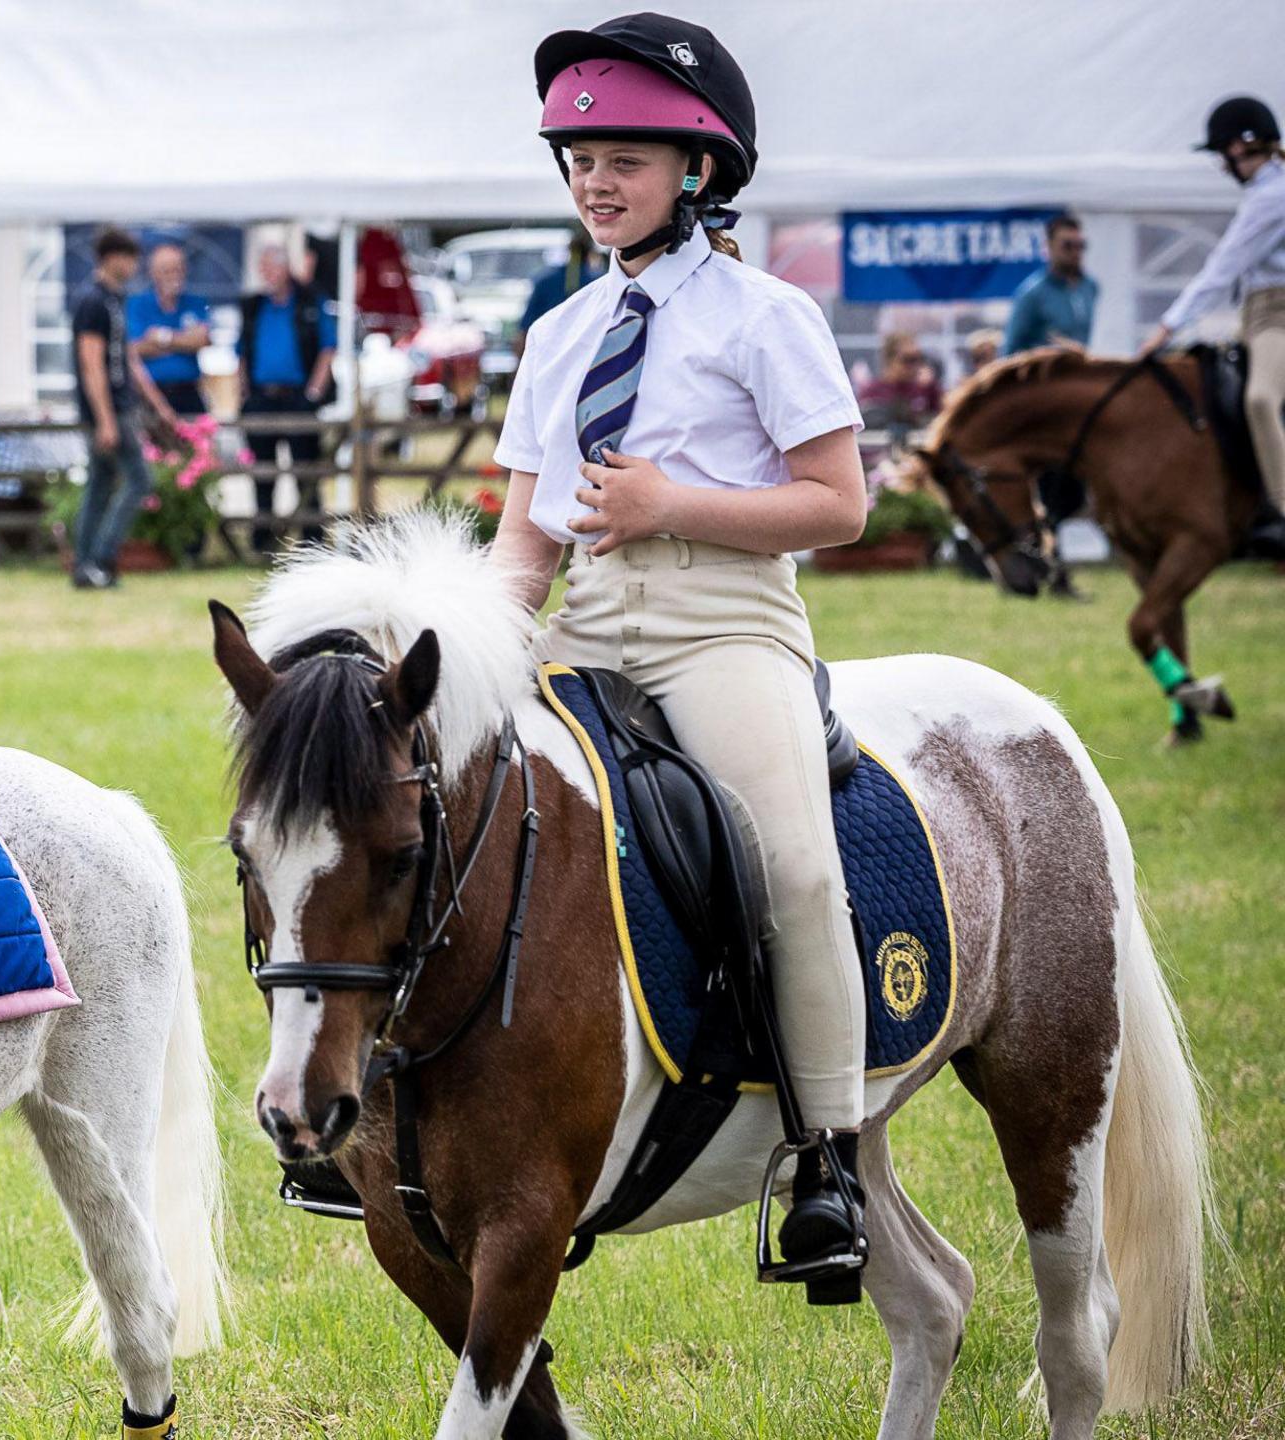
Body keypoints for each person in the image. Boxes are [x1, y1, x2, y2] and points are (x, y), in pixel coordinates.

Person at [490, 13, 872, 1297]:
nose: (593, 184)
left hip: (724, 620)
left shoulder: (767, 318)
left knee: (796, 868)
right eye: (577, 161)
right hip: (585, 616)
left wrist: (674, 506)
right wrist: (470, 651)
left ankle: (824, 1159)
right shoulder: (556, 335)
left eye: (624, 162)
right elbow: (519, 546)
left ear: (697, 172)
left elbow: (839, 505)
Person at [1142, 95, 1285, 553]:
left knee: (1261, 400)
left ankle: (1281, 510)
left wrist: (1167, 329)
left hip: (1277, 315)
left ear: (1241, 147)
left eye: (1223, 154)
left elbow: (1219, 270)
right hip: (1255, 314)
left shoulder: (1272, 197)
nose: (1223, 166)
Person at [68, 227, 166, 588]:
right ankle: (101, 559)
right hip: (107, 410)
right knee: (140, 480)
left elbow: (126, 358)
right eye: (129, 258)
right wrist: (105, 419)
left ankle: (85, 566)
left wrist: (156, 402)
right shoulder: (92, 301)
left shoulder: (114, 300)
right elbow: (91, 363)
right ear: (111, 258)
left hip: (119, 406)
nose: (133, 265)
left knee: (101, 485)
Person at [236, 244, 339, 552]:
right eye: (262, 268)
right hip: (261, 398)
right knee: (263, 473)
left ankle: (312, 541)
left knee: (305, 471)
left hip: (297, 397)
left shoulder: (309, 300)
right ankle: (263, 539)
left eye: (272, 267)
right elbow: (242, 352)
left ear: (285, 269)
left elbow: (328, 346)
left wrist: (314, 391)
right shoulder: (254, 306)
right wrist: (244, 392)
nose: (267, 274)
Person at [129, 241, 213, 418]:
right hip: (151, 393)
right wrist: (183, 342)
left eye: (178, 269)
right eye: (167, 270)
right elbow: (134, 348)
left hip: (188, 391)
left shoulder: (195, 302)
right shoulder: (137, 304)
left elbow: (202, 340)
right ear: (154, 273)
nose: (174, 275)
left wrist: (162, 337)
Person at [1003, 214, 1099, 356]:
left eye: (1080, 246)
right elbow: (1009, 352)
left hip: (1080, 374)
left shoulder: (1090, 287)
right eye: (1067, 246)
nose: (1075, 252)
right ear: (1049, 246)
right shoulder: (1032, 294)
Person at [517, 232, 608, 355]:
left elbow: (525, 329)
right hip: (587, 353)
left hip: (548, 352)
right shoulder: (600, 283)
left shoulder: (545, 280)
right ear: (591, 253)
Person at [855, 330, 943, 432]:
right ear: (890, 360)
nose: (916, 366)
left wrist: (932, 388)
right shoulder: (872, 392)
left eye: (920, 359)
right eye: (908, 360)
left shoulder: (924, 389)